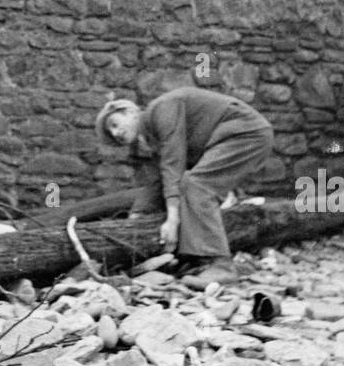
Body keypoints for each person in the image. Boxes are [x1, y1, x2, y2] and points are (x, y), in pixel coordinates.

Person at [95, 87, 275, 288]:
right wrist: (137, 214)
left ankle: (221, 265)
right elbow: (158, 181)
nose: (116, 133)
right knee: (191, 184)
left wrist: (172, 220)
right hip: (234, 136)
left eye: (114, 124)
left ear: (130, 111)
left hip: (246, 133)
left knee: (197, 185)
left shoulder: (162, 109)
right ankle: (197, 260)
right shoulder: (153, 136)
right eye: (112, 134)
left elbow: (174, 164)